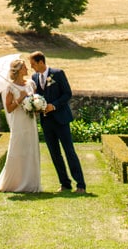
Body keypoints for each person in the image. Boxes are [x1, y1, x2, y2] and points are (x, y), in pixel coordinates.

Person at [30, 50, 85, 193]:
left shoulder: (58, 73)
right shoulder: (34, 77)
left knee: (69, 151)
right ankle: (65, 183)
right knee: (55, 154)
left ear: (41, 62)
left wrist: (53, 105)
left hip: (61, 119)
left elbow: (67, 93)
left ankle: (80, 184)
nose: (32, 67)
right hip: (46, 121)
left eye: (33, 64)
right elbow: (36, 97)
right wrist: (37, 107)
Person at [0, 56, 41, 193]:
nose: (27, 68)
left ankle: (31, 183)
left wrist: (35, 106)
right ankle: (16, 182)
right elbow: (9, 109)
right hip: (19, 122)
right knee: (18, 150)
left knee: (31, 149)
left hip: (30, 121)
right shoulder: (10, 88)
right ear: (19, 70)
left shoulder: (31, 84)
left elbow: (34, 99)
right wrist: (20, 99)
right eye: (24, 67)